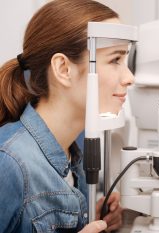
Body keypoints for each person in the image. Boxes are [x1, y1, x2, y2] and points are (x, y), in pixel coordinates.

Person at [0, 0, 134, 232]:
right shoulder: (9, 164)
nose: (129, 77)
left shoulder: (74, 153)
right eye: (115, 60)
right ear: (63, 69)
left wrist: (92, 216)